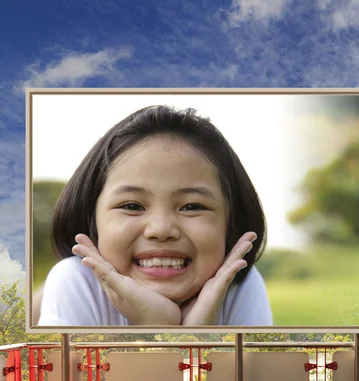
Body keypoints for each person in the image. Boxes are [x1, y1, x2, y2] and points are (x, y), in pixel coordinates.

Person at [37, 105, 272, 327]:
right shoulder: (75, 282)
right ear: (91, 220)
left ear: (230, 223)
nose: (160, 229)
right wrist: (158, 331)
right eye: (132, 205)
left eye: (191, 207)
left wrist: (195, 337)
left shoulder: (240, 285)